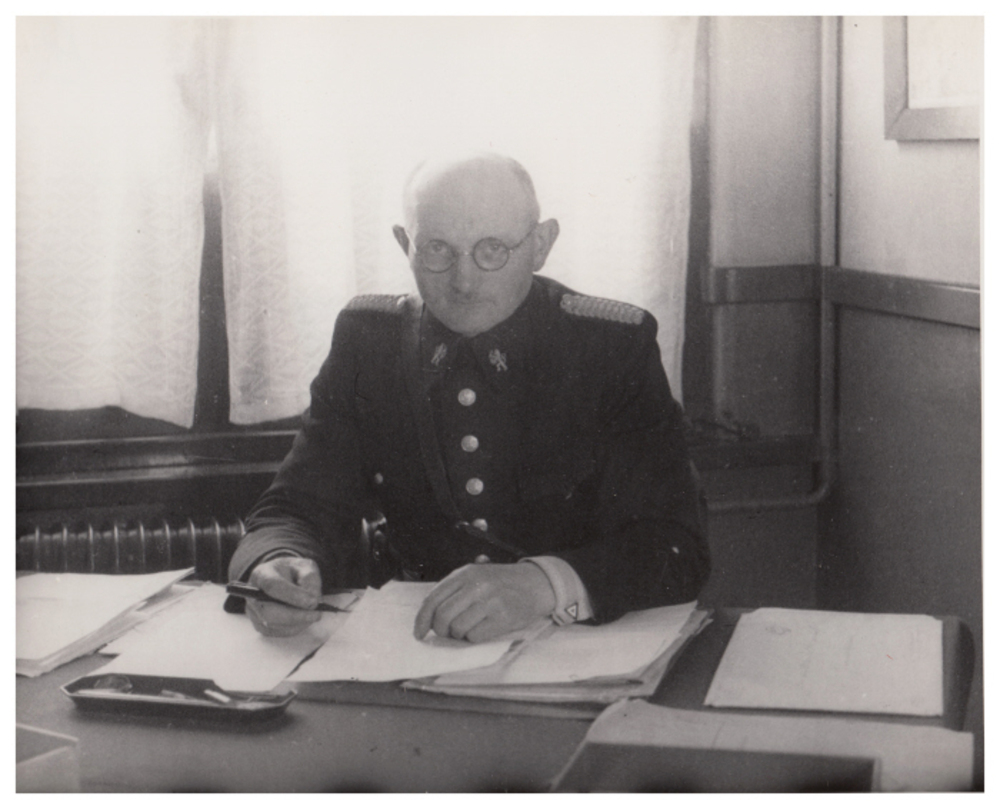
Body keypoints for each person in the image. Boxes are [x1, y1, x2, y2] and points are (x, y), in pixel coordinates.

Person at [227, 152, 709, 643]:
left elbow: (676, 547)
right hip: (418, 642)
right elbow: (296, 506)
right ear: (404, 244)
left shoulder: (610, 349)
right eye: (437, 249)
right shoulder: (369, 343)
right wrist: (274, 563)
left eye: (492, 249)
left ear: (541, 245)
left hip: (573, 644)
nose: (463, 281)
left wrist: (544, 584)